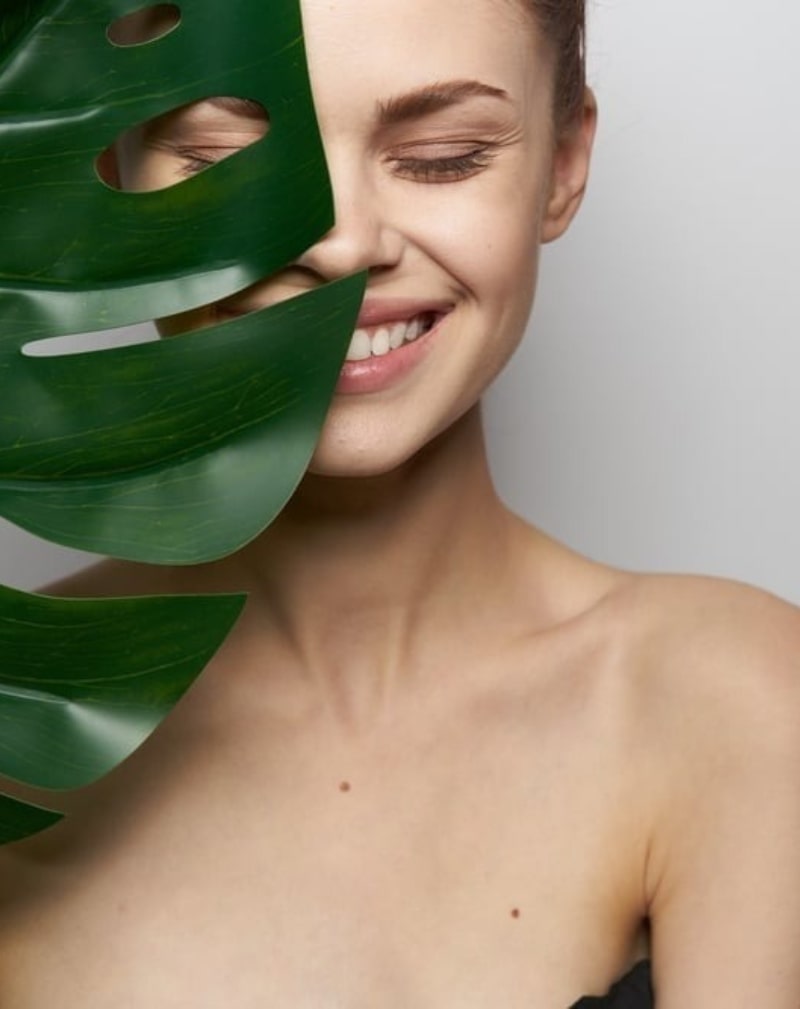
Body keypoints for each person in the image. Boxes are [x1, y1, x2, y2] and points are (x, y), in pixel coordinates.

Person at [1, 0, 799, 1005]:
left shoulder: (738, 702)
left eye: (441, 155)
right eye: (221, 156)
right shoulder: (15, 727)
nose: (340, 243)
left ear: (560, 166)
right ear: (116, 178)